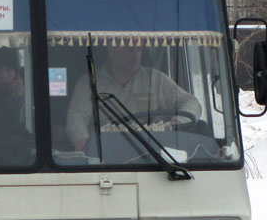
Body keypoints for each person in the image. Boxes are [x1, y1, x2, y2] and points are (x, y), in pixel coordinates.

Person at [65, 43, 202, 152]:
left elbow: (191, 102)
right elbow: (76, 117)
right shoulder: (89, 83)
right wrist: (83, 140)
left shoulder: (155, 79)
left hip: (151, 155)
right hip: (106, 155)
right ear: (111, 50)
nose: (136, 56)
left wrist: (177, 123)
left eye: (139, 50)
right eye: (130, 50)